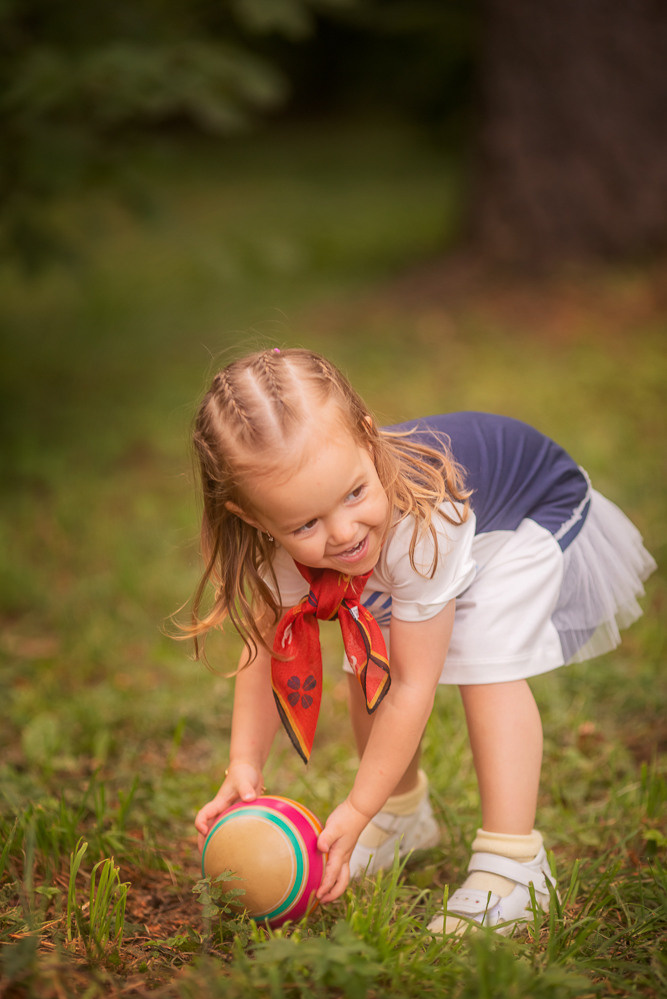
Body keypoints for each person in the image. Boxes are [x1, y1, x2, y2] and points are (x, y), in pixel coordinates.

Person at [185, 347, 655, 935]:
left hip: (530, 507)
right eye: (305, 524)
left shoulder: (422, 523)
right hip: (447, 523)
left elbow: (412, 686)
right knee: (366, 660)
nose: (343, 532)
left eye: (354, 493)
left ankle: (516, 865)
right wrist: (243, 761)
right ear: (255, 519)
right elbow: (267, 648)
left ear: (366, 437)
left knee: (485, 661)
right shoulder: (293, 532)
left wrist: (357, 808)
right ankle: (405, 814)